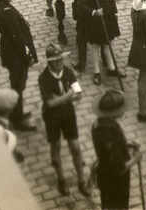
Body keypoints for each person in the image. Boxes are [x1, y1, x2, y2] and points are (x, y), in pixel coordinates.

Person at [38, 44, 90, 197]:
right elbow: (49, 103)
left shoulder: (68, 72)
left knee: (75, 147)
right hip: (51, 117)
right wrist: (67, 96)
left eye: (61, 59)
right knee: (56, 147)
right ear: (50, 62)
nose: (61, 62)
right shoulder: (44, 78)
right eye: (57, 60)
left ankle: (81, 181)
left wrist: (60, 99)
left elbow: (79, 93)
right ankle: (61, 179)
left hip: (68, 114)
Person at [0, 0, 38, 131]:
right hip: (16, 57)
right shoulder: (7, 12)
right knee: (18, 85)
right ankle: (17, 119)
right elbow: (17, 38)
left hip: (9, 52)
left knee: (17, 84)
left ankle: (16, 113)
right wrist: (28, 57)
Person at [77, 0, 125, 86]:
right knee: (96, 46)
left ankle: (111, 68)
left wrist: (113, 11)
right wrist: (93, 12)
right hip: (96, 20)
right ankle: (97, 72)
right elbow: (81, 5)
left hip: (107, 16)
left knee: (108, 43)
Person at [91, 89, 143, 209]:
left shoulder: (98, 123)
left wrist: (127, 144)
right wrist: (136, 158)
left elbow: (108, 147)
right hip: (115, 181)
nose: (123, 110)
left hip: (104, 175)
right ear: (113, 112)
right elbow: (119, 168)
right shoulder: (110, 131)